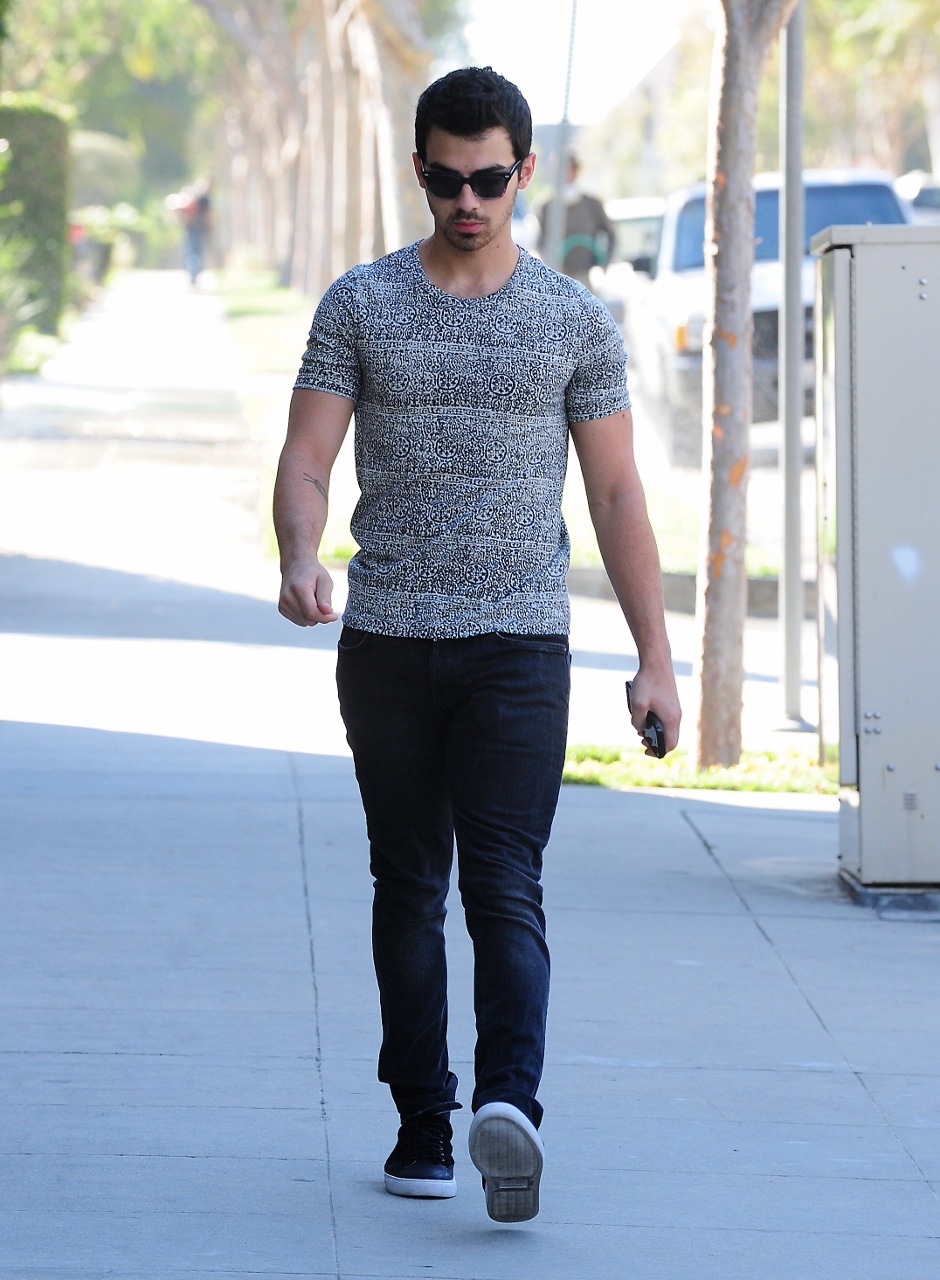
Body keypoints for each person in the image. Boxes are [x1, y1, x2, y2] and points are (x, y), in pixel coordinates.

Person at [274, 66, 680, 1224]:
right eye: (448, 180)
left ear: (524, 173)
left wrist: (654, 657)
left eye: (490, 180)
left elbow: (616, 492)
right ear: (420, 172)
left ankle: (509, 1105)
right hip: (389, 641)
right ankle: (422, 1122)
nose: (468, 201)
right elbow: (306, 457)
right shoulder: (360, 303)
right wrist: (300, 553)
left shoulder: (571, 319)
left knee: (504, 883)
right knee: (408, 884)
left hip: (519, 643)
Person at [537, 152, 616, 288]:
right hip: (557, 278)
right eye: (557, 170)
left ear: (575, 171)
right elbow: (540, 243)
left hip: (584, 276)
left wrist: (604, 261)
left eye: (567, 169)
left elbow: (610, 233)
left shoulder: (591, 204)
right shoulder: (546, 207)